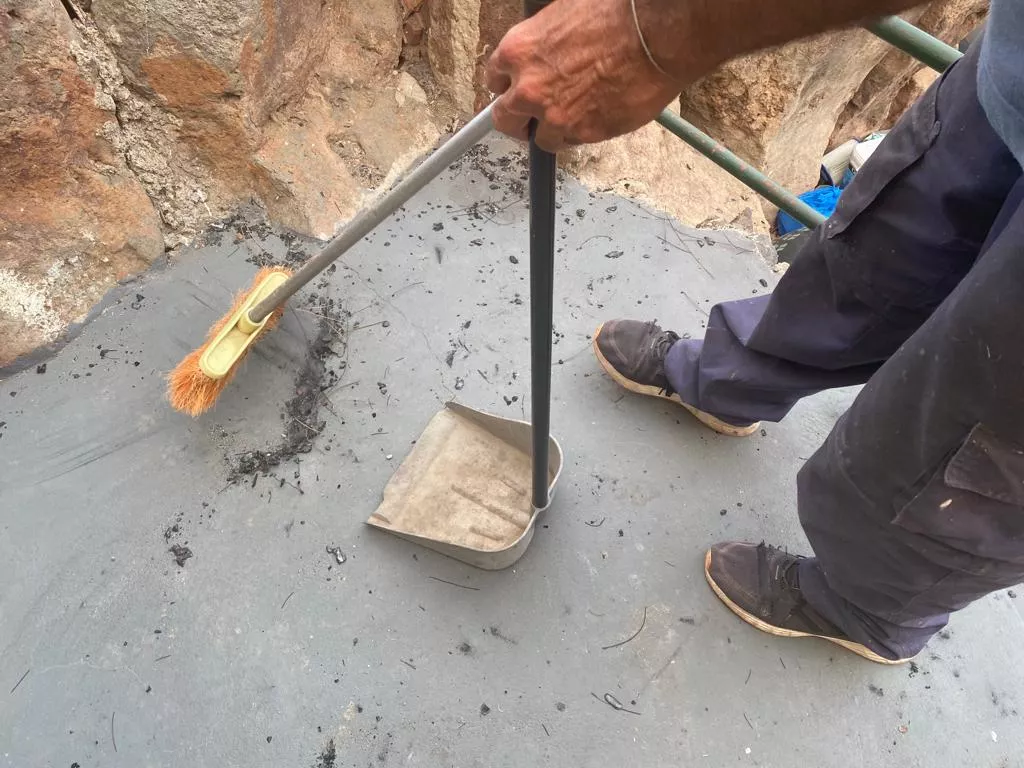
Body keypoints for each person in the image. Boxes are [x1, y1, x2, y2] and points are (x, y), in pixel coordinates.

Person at [487, 0, 1024, 664]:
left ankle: (867, 608)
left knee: (981, 434)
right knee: (877, 258)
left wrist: (652, 35)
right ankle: (729, 382)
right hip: (1010, 88)